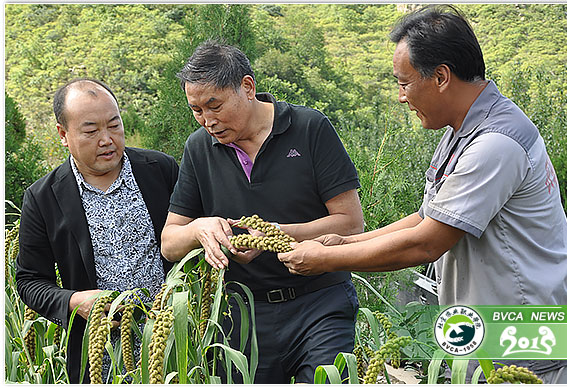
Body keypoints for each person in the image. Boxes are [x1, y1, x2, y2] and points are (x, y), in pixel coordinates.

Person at [278, 5, 567, 384]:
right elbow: (427, 215)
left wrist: (327, 260)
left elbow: (426, 244)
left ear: (441, 77)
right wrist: (345, 241)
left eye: (403, 83)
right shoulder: (462, 130)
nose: (401, 97)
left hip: (524, 327)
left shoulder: (494, 144)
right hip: (492, 325)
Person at [160, 40, 364, 383]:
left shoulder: (309, 128)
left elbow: (351, 223)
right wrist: (199, 230)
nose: (207, 120)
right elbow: (169, 242)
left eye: (215, 105)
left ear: (247, 87)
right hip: (242, 315)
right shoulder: (199, 148)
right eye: (196, 110)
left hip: (319, 303)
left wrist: (275, 234)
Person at [15, 78, 179, 383]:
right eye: (91, 131)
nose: (107, 140)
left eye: (114, 126)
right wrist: (74, 302)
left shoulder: (161, 170)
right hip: (100, 360)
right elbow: (29, 280)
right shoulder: (43, 198)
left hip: (174, 350)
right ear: (63, 135)